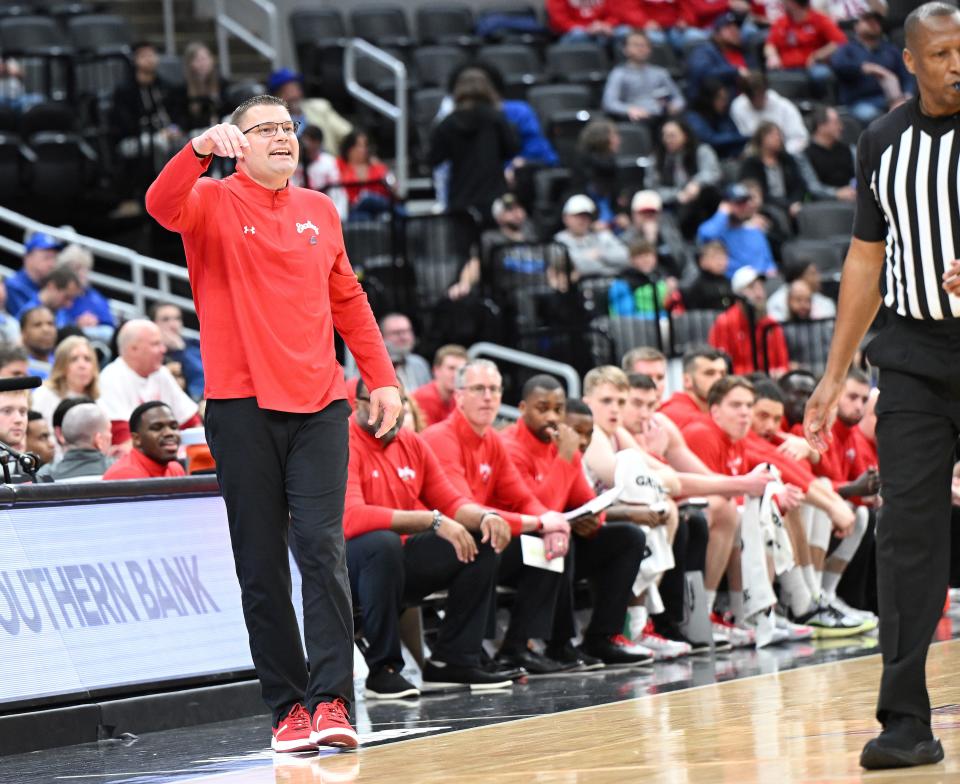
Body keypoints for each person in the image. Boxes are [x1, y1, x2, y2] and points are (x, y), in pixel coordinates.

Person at [145, 94, 401, 753]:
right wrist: (198, 150)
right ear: (238, 142)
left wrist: (385, 380)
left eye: (289, 129)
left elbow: (348, 298)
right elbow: (159, 204)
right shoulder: (211, 199)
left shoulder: (321, 210)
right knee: (260, 563)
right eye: (267, 129)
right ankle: (287, 708)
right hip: (240, 406)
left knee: (322, 548)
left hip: (321, 405)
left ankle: (334, 701)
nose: (283, 138)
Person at [803, 4, 960, 769]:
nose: (958, 63)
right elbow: (866, 259)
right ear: (909, 60)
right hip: (915, 357)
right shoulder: (881, 143)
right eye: (942, 53)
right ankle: (905, 722)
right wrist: (834, 374)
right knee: (907, 539)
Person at [419, 361, 615, 665]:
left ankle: (519, 647)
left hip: (487, 534)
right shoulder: (446, 438)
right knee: (510, 542)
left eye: (494, 389)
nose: (488, 396)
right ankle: (472, 652)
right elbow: (459, 508)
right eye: (478, 389)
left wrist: (551, 522)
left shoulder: (492, 441)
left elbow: (527, 500)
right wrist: (543, 518)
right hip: (438, 539)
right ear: (459, 395)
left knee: (556, 542)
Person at [343, 378, 514, 695]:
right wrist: (432, 521)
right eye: (381, 404)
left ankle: (453, 661)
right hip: (349, 567)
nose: (392, 413)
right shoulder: (342, 442)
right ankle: (384, 670)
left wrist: (486, 516)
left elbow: (450, 501)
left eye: (399, 404)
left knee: (482, 538)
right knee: (382, 542)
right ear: (358, 405)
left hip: (398, 561)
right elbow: (351, 518)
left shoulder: (411, 442)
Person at [501, 375, 653, 665]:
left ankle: (601, 637)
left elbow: (589, 502)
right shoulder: (511, 446)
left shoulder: (561, 445)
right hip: (513, 545)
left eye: (557, 410)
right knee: (557, 540)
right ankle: (543, 644)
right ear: (522, 409)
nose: (551, 417)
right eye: (542, 408)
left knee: (628, 538)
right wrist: (564, 457)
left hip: (551, 542)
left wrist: (595, 520)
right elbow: (538, 510)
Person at [428, 68, 517, 225]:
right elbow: (512, 148)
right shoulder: (496, 118)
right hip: (493, 195)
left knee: (463, 247)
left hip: (460, 196)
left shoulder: (447, 123)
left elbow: (434, 158)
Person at [98, 319, 200, 447]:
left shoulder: (161, 373)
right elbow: (121, 438)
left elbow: (192, 422)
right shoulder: (111, 377)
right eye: (156, 344)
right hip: (134, 461)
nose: (163, 349)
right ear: (133, 349)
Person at [830, 10, 914, 124]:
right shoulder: (847, 48)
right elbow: (838, 65)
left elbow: (907, 74)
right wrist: (862, 67)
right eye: (867, 20)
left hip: (890, 99)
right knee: (872, 116)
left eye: (876, 21)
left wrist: (907, 95)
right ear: (856, 26)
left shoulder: (890, 50)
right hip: (859, 101)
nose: (873, 23)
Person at [645, 119, 722, 239]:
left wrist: (696, 183)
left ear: (685, 135)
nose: (667, 140)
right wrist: (678, 195)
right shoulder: (656, 159)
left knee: (710, 193)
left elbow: (713, 172)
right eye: (664, 135)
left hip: (701, 200)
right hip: (672, 205)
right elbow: (652, 188)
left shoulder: (701, 151)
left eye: (672, 135)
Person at [709, 266, 790, 375]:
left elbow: (782, 364)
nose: (759, 293)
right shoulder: (725, 322)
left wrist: (780, 372)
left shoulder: (771, 324)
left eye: (760, 286)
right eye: (751, 287)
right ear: (738, 294)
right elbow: (720, 365)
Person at [764, 0, 847, 95]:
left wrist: (817, 55)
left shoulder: (819, 19)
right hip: (785, 67)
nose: (782, 3)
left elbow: (840, 41)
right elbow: (769, 44)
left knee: (821, 74)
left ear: (793, 3)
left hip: (811, 66)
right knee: (770, 77)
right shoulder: (781, 21)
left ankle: (825, 105)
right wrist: (772, 56)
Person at [697, 183, 777, 279]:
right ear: (727, 205)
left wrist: (770, 271)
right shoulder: (719, 231)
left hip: (764, 279)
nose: (743, 207)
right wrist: (722, 213)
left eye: (745, 202)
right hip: (736, 284)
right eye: (738, 203)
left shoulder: (754, 229)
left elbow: (768, 262)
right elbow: (706, 234)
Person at [601, 30, 685, 122]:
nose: (641, 49)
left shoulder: (660, 73)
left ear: (650, 49)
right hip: (634, 119)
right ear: (625, 50)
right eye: (636, 45)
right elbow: (609, 103)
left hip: (661, 117)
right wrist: (628, 109)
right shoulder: (618, 74)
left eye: (644, 45)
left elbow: (678, 98)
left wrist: (675, 106)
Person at [738, 122, 808, 219]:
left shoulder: (787, 159)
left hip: (792, 204)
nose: (778, 138)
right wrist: (787, 205)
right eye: (773, 135)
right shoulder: (751, 164)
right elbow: (755, 192)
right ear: (762, 139)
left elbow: (800, 184)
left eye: (779, 135)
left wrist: (795, 202)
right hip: (765, 207)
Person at [730, 71, 810, 155]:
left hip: (786, 155)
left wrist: (781, 155)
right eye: (754, 97)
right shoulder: (737, 107)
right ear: (746, 96)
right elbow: (744, 142)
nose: (758, 100)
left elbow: (800, 138)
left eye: (761, 95)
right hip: (756, 158)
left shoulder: (784, 106)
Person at [102, 401, 186, 480]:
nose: (169, 433)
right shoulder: (124, 475)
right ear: (136, 439)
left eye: (174, 427)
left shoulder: (175, 469)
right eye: (157, 428)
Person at [30, 335, 100, 428]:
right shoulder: (44, 394)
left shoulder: (100, 397)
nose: (82, 365)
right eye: (74, 359)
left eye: (87, 359)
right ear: (61, 366)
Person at [553, 195, 630, 278]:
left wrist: (600, 254)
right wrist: (609, 267)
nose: (581, 220)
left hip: (609, 284)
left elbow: (627, 258)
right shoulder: (558, 241)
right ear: (565, 218)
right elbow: (573, 266)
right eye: (577, 216)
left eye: (585, 216)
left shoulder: (603, 235)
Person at [618, 190, 691, 276]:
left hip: (676, 284)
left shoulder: (669, 233)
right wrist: (650, 241)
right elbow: (635, 271)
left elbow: (683, 262)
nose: (648, 217)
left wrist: (680, 285)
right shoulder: (625, 239)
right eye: (643, 213)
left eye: (652, 213)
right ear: (634, 214)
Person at [685, 12, 753, 103]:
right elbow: (702, 73)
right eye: (729, 28)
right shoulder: (705, 51)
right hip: (720, 109)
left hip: (750, 103)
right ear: (717, 35)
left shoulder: (746, 50)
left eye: (736, 27)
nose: (735, 31)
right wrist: (736, 72)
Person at [36, 402, 113, 481]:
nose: (111, 436)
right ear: (98, 439)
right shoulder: (118, 471)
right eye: (109, 431)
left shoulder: (42, 476)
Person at [797, 105, 857, 203]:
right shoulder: (805, 155)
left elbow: (860, 176)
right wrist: (837, 193)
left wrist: (854, 188)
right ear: (821, 126)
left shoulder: (849, 149)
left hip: (854, 198)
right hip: (824, 206)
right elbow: (813, 187)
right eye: (836, 123)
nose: (841, 127)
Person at [570, 120, 624, 227]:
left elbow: (617, 200)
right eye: (614, 136)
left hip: (609, 220)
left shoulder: (613, 166)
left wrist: (621, 214)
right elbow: (579, 199)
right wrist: (593, 221)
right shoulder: (583, 164)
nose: (619, 140)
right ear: (601, 139)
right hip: (590, 222)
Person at [660, 345, 729, 429]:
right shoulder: (674, 414)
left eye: (723, 373)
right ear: (686, 380)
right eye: (709, 373)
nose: (719, 379)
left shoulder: (718, 412)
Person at [57, 244, 116, 341]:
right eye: (76, 268)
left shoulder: (95, 297)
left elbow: (109, 325)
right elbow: (58, 324)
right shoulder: (60, 295)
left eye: (84, 268)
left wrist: (96, 322)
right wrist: (77, 324)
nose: (81, 273)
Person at [168, 42, 229, 134]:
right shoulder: (181, 89)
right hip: (194, 133)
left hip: (219, 130)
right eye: (198, 60)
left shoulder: (222, 83)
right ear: (190, 64)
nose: (203, 63)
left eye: (206, 58)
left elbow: (227, 110)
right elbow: (179, 118)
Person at [149, 302, 204, 400]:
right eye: (165, 319)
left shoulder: (195, 345)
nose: (173, 324)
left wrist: (180, 351)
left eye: (177, 318)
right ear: (153, 324)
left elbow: (201, 378)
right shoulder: (148, 351)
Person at [337, 129, 395, 220]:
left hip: (379, 206)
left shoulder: (375, 165)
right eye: (359, 145)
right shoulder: (339, 164)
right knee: (363, 215)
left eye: (365, 145)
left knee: (384, 208)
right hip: (352, 209)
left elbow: (392, 184)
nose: (364, 149)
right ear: (349, 148)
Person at [607, 239, 674, 318]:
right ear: (631, 260)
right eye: (639, 256)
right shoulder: (622, 283)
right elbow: (626, 318)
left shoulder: (661, 278)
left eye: (648, 255)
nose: (645, 260)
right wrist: (663, 317)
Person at [685, 79, 748, 160]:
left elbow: (732, 133)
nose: (724, 103)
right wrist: (744, 137)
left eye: (725, 98)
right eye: (720, 99)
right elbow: (711, 140)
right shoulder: (693, 116)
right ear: (709, 99)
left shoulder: (723, 113)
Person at [6, 232, 62, 317]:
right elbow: (21, 323)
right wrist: (42, 299)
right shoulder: (13, 286)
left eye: (54, 258)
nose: (52, 264)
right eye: (46, 257)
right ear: (28, 257)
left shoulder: (49, 285)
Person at [412, 344, 468, 427]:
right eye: (451, 368)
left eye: (461, 370)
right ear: (436, 370)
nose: (456, 374)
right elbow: (428, 436)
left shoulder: (458, 396)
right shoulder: (425, 397)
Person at [379, 313, 432, 392]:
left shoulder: (420, 364)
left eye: (407, 331)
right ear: (382, 336)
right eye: (396, 333)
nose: (403, 337)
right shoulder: (375, 365)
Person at [15, 266, 82, 328]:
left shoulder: (62, 313)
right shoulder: (28, 314)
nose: (69, 304)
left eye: (72, 299)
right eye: (67, 297)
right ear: (51, 286)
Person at [678, 241, 735, 311]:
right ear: (703, 261)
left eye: (723, 257)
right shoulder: (696, 285)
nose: (721, 262)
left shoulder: (729, 282)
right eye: (716, 257)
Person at [20, 306, 57, 380]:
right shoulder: (17, 368)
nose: (46, 329)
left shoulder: (62, 364)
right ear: (23, 333)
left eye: (50, 324)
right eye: (37, 325)